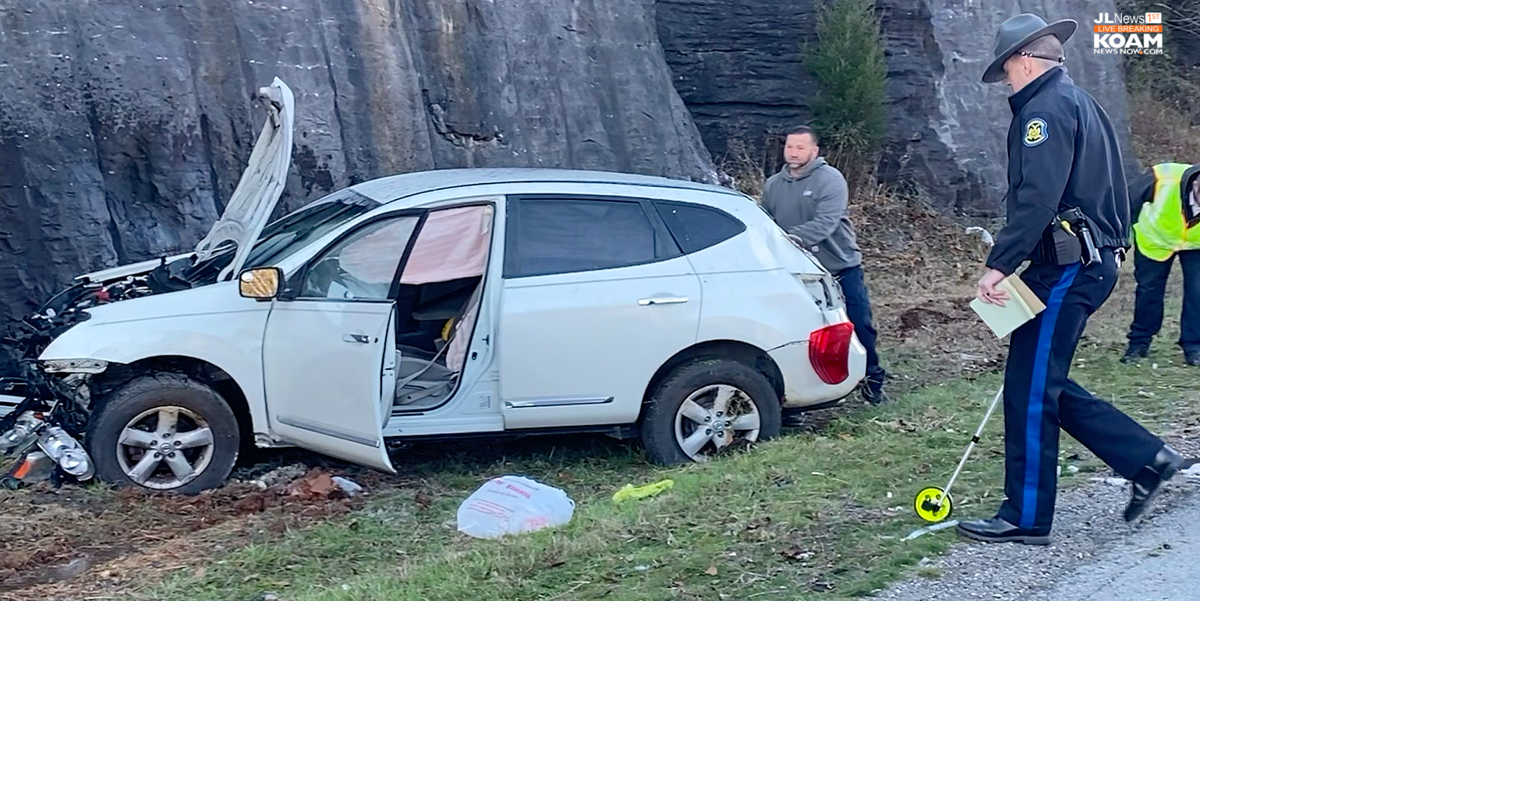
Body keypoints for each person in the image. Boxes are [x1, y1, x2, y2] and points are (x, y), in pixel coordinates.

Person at [958, 14, 1189, 544]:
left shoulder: (1043, 111)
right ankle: (1147, 460)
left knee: (1032, 389)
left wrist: (998, 264)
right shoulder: (1077, 100)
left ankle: (1026, 517)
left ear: (1021, 61)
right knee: (1037, 380)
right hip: (1075, 263)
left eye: (1006, 72)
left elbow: (1038, 196)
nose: (1006, 84)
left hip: (1066, 266)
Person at [760, 125, 887, 409]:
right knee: (796, 332)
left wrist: (788, 241)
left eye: (800, 148)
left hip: (840, 267)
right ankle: (796, 396)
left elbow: (825, 223)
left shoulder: (830, 179)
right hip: (796, 274)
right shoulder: (773, 184)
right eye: (790, 147)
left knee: (859, 326)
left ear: (814, 151)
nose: (793, 152)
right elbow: (765, 223)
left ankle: (873, 382)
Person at [1123, 162, 1200, 366]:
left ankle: (1194, 346)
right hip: (1155, 240)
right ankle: (1139, 343)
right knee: (1149, 291)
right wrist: (1121, 239)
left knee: (1198, 292)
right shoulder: (1162, 178)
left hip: (1196, 243)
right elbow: (1126, 204)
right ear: (1196, 185)